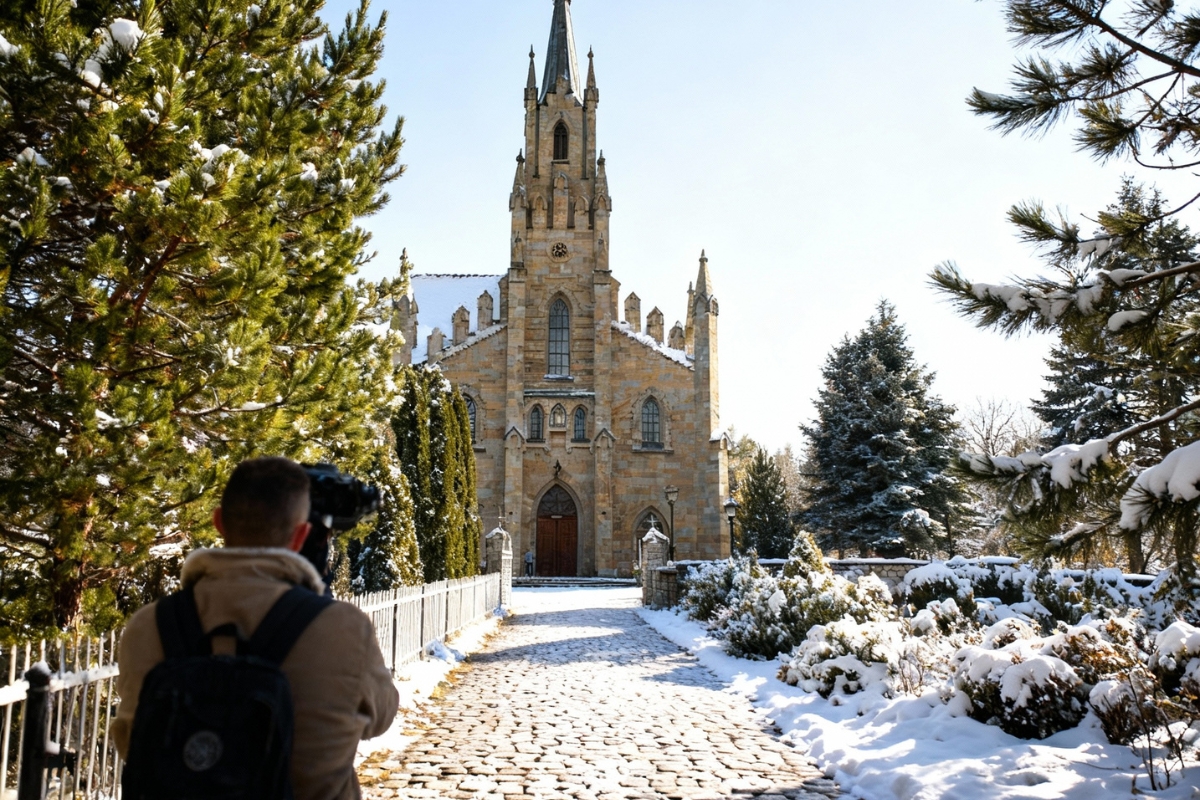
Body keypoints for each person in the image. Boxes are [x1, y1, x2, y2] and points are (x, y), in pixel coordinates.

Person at [112, 456, 398, 800]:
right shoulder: (343, 629)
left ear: (219, 522)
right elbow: (382, 713)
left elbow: (131, 740)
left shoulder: (149, 625)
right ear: (302, 535)